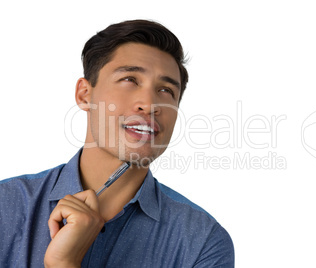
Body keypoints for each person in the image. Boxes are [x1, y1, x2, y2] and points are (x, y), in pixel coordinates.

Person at [0, 20, 234, 267]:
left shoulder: (203, 243)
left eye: (166, 90)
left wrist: (63, 262)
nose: (150, 104)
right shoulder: (5, 205)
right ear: (84, 94)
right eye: (130, 79)